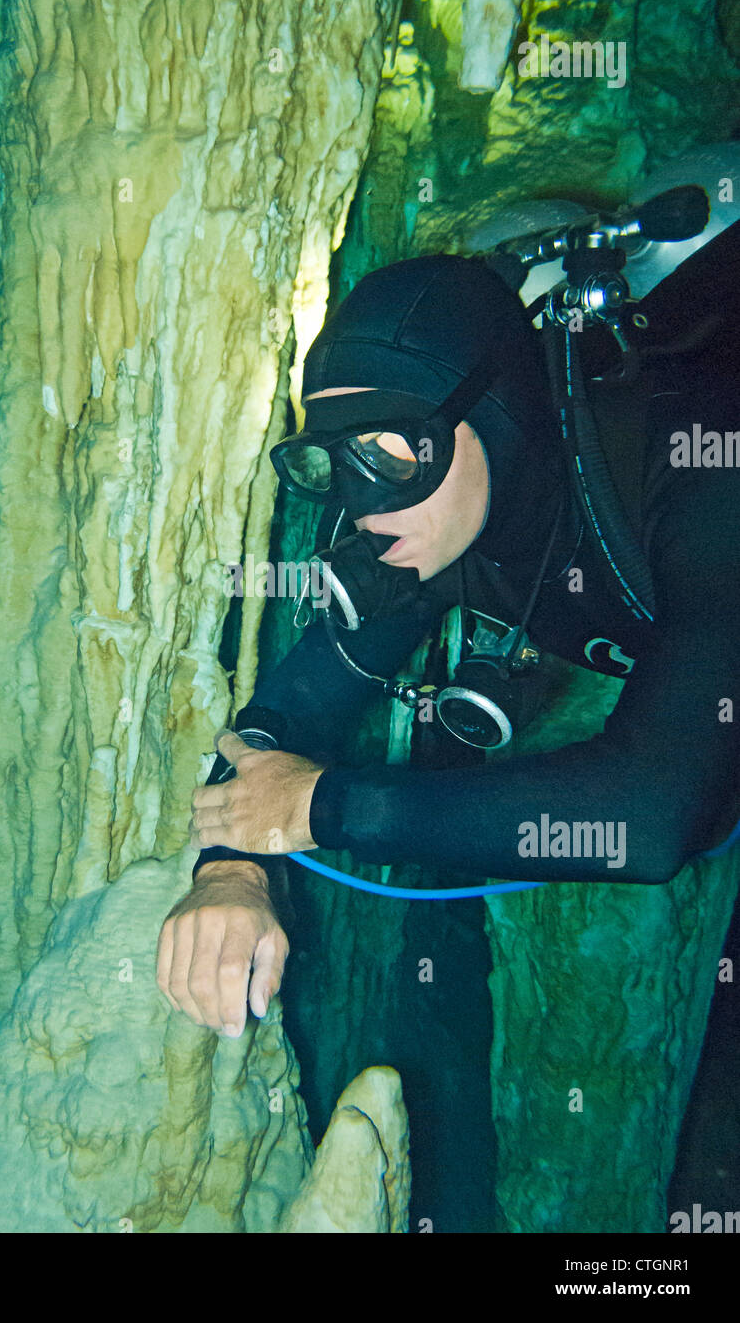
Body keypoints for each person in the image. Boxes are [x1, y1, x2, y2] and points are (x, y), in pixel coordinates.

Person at [156, 221, 740, 1044]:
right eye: (331, 461)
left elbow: (651, 818)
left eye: (390, 452)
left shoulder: (701, 467)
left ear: (493, 414)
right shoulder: (429, 530)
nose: (365, 503)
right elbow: (287, 714)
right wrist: (234, 869)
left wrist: (322, 807)